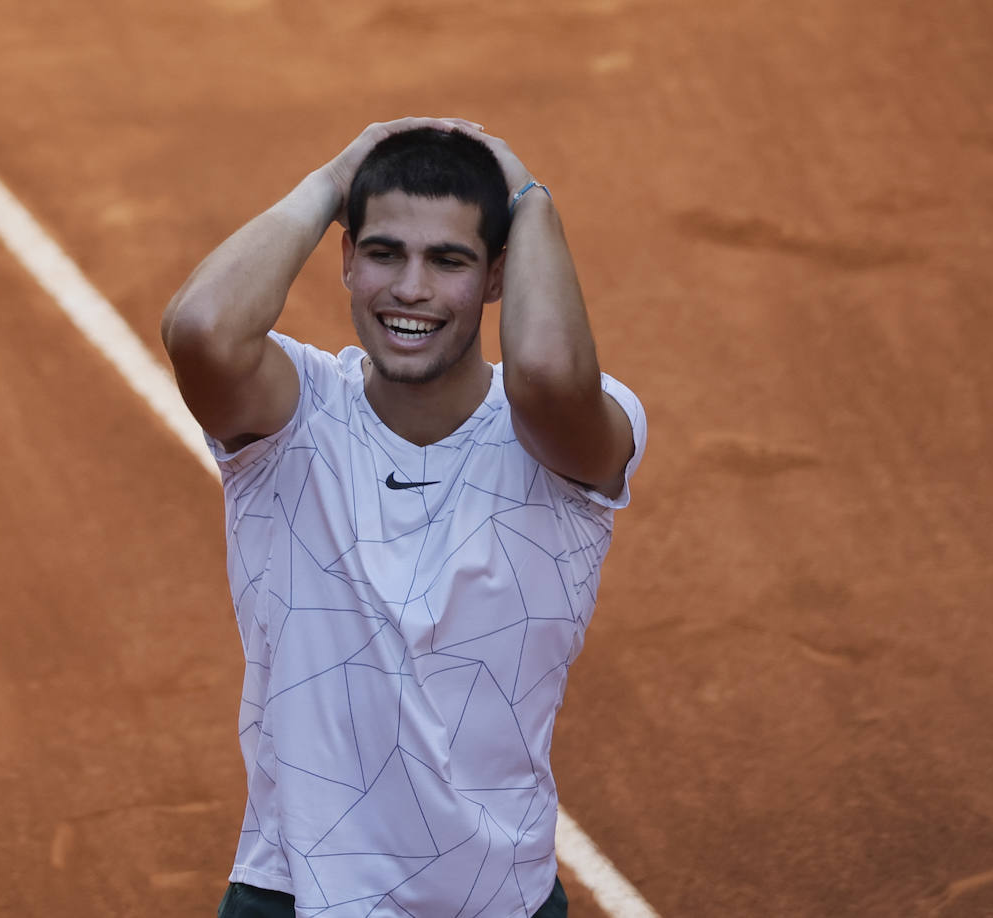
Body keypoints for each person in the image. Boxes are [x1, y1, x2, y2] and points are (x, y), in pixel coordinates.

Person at [161, 117, 647, 917]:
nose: (411, 288)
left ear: (497, 277)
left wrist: (529, 201)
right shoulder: (296, 416)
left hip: (497, 902)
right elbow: (202, 330)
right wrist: (332, 178)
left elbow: (549, 373)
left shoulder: (572, 434)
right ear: (345, 259)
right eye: (384, 252)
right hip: (293, 894)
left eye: (448, 260)